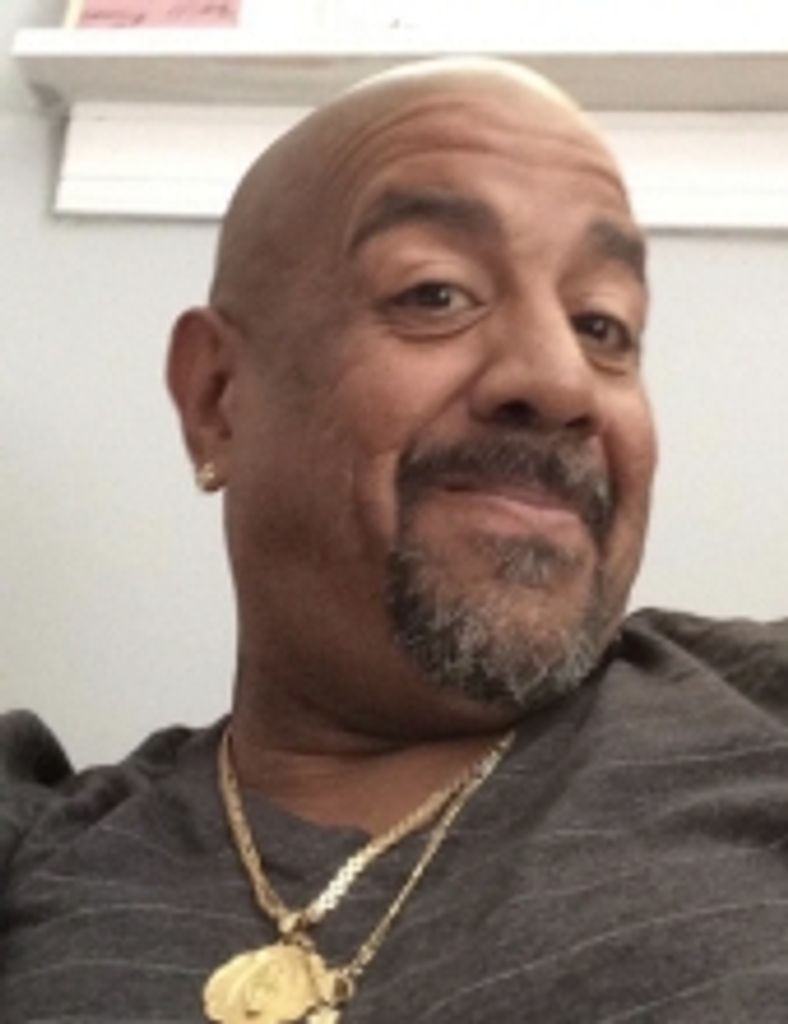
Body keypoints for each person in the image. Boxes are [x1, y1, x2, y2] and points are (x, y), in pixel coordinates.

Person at [1, 57, 787, 1024]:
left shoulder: (764, 704)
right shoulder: (38, 845)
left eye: (603, 325)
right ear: (217, 399)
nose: (561, 381)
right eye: (436, 294)